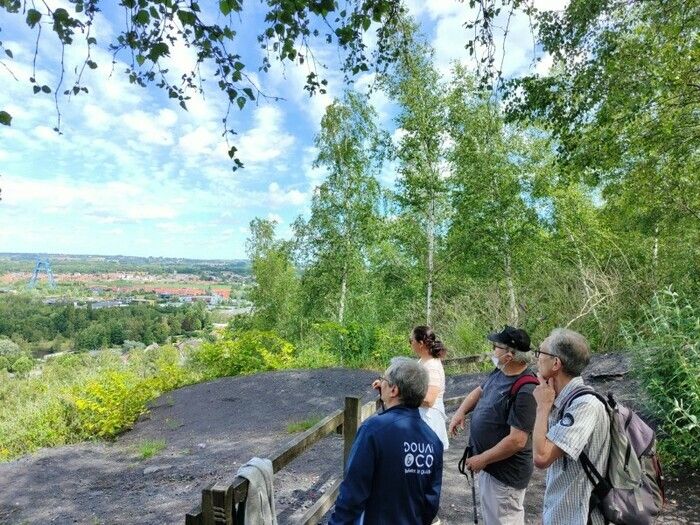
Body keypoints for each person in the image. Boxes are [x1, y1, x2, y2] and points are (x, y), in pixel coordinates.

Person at [329, 357, 443, 525]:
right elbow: (431, 501)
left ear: (394, 390)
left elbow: (353, 491)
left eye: (383, 380)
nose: (380, 384)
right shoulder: (433, 440)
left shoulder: (373, 429)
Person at [448, 325, 538, 525]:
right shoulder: (499, 372)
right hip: (490, 469)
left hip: (505, 477)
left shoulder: (527, 389)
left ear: (509, 355)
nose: (492, 351)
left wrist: (482, 459)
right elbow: (478, 392)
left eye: (496, 347)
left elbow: (517, 440)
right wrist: (460, 412)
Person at [532, 328, 610, 525]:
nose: (537, 358)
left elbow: (541, 457)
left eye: (540, 352)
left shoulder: (585, 406)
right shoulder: (562, 401)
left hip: (581, 517)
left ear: (556, 363)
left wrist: (542, 408)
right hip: (561, 514)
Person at [410, 325, 450, 450]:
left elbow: (429, 400)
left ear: (420, 343)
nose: (410, 344)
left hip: (429, 420)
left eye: (411, 340)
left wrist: (404, 397)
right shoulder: (423, 361)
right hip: (421, 418)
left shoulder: (432, 366)